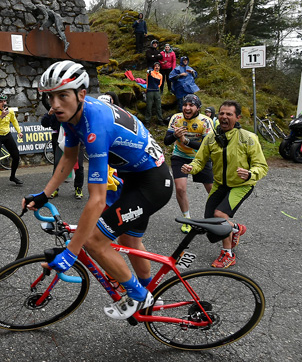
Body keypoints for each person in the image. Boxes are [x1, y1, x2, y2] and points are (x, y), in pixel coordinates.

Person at [25, 60, 173, 320]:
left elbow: (96, 199)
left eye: (62, 96)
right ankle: (148, 293)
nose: (55, 105)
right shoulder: (71, 116)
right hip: (134, 177)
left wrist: (71, 252)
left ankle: (140, 296)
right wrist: (44, 194)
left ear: (81, 94)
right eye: (50, 97)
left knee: (94, 241)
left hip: (152, 182)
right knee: (129, 240)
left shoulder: (96, 126)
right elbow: (68, 158)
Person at [181, 100, 268, 268]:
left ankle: (227, 254)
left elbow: (262, 166)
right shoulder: (211, 138)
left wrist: (251, 173)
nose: (224, 117)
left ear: (237, 117)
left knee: (220, 216)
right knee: (210, 224)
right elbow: (200, 161)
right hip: (220, 184)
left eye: (229, 114)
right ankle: (235, 228)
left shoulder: (248, 138)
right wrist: (191, 168)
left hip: (241, 185)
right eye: (222, 113)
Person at [163, 94, 214, 233]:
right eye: (185, 105)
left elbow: (206, 146)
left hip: (200, 157)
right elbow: (166, 141)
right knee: (180, 189)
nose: (187, 107)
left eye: (191, 105)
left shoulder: (205, 121)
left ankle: (215, 218)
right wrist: (175, 135)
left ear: (198, 108)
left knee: (212, 190)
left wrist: (186, 141)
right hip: (180, 156)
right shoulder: (176, 118)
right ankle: (187, 219)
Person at [41, 94, 84, 200]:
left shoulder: (76, 107)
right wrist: (49, 114)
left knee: (79, 164)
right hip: (58, 138)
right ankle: (54, 188)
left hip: (76, 137)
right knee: (57, 163)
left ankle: (78, 188)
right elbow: (44, 123)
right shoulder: (56, 109)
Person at [0, 93, 23, 194]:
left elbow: (14, 121)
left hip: (7, 135)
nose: (3, 103)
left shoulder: (10, 111)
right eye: (1, 102)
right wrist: (1, 116)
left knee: (16, 156)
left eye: (4, 101)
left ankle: (12, 177)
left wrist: (19, 131)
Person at [145, 62, 164, 126]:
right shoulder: (150, 73)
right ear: (154, 67)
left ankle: (160, 120)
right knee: (149, 106)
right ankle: (147, 121)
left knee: (158, 106)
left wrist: (157, 87)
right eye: (156, 66)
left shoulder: (160, 75)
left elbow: (160, 84)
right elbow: (148, 72)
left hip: (156, 91)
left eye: (158, 66)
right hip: (150, 91)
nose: (157, 67)